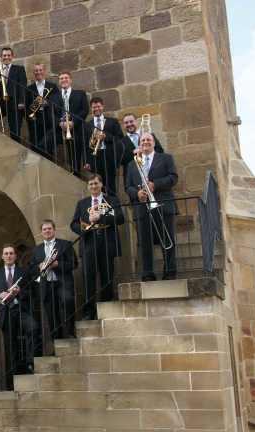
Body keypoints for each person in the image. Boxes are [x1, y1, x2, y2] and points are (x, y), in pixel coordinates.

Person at [125, 132, 178, 281]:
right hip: (142, 208)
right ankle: (148, 273)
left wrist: (155, 184)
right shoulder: (132, 164)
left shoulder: (166, 158)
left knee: (167, 239)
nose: (146, 142)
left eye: (149, 139)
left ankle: (170, 271)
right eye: (143, 140)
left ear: (154, 143)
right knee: (145, 241)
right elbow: (128, 186)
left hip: (163, 204)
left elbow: (173, 178)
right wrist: (137, 194)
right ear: (139, 144)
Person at [70, 174, 125, 320]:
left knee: (107, 277)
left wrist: (100, 217)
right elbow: (74, 223)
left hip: (107, 242)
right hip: (89, 243)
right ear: (88, 187)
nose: (93, 186)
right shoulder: (82, 203)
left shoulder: (112, 200)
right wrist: (84, 228)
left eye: (95, 183)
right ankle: (89, 312)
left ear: (101, 184)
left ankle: (106, 309)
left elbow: (120, 218)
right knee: (88, 279)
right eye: (90, 184)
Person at [0, 244, 38, 389]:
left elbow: (32, 291)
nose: (9, 256)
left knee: (33, 329)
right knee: (11, 349)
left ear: (15, 256)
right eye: (6, 254)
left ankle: (30, 362)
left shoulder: (23, 272)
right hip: (6, 312)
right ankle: (13, 382)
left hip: (21, 309)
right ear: (2, 256)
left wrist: (19, 292)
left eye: (11, 253)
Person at [28, 220, 78, 342]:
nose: (47, 231)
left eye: (49, 228)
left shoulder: (65, 244)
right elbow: (31, 269)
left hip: (62, 282)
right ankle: (57, 341)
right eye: (44, 229)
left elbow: (74, 264)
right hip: (46, 285)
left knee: (67, 301)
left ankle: (70, 331)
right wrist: (39, 267)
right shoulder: (36, 250)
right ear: (41, 232)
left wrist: (57, 264)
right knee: (51, 314)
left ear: (54, 230)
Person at [83, 97, 125, 195]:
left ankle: (112, 206)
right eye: (94, 107)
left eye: (98, 106)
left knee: (110, 185)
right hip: (94, 158)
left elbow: (120, 139)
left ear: (102, 107)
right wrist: (86, 161)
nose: (96, 109)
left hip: (109, 156)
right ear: (91, 109)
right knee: (97, 185)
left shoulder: (112, 121)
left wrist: (106, 136)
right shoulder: (88, 125)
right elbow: (85, 144)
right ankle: (100, 207)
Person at [50, 71, 89, 174]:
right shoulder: (54, 97)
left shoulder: (80, 94)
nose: (64, 80)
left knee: (76, 155)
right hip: (60, 129)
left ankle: (76, 175)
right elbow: (52, 113)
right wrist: (60, 123)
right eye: (61, 78)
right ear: (59, 82)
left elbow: (84, 110)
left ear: (70, 80)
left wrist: (73, 122)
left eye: (66, 78)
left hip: (77, 129)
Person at [0, 47, 27, 142]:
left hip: (15, 103)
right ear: (1, 57)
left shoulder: (19, 69)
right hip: (1, 102)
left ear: (12, 56)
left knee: (15, 131)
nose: (6, 57)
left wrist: (22, 102)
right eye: (4, 55)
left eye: (8, 55)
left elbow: (23, 86)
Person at [121, 113, 164, 182]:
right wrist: (133, 152)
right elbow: (121, 161)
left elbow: (160, 151)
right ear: (123, 125)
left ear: (136, 121)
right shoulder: (121, 142)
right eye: (126, 123)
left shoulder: (149, 135)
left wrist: (147, 151)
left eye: (131, 121)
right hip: (134, 178)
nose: (129, 124)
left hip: (154, 174)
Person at [25, 64, 58, 155]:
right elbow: (26, 106)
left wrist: (48, 103)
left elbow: (58, 102)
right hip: (35, 122)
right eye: (36, 70)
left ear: (44, 71)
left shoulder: (52, 86)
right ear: (33, 73)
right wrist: (30, 117)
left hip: (49, 121)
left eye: (40, 70)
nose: (38, 72)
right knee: (35, 148)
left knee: (49, 149)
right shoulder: (29, 89)